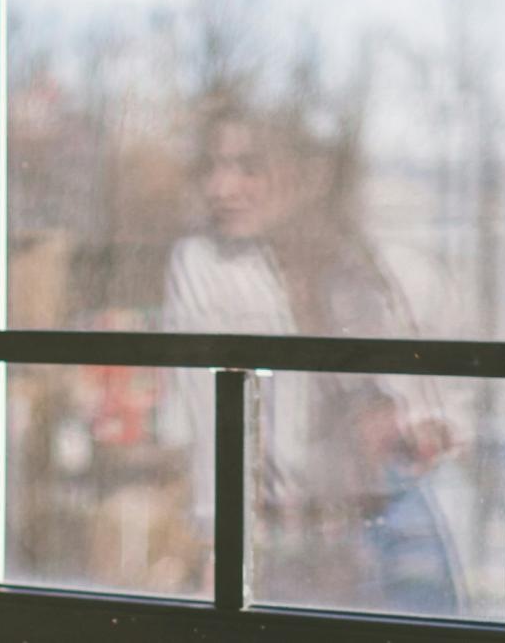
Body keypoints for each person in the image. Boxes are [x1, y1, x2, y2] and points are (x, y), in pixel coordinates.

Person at [156, 97, 472, 615]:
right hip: (279, 548)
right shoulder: (207, 265)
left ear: (307, 175)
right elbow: (209, 423)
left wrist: (423, 426)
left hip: (389, 534)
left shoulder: (369, 267)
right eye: (212, 167)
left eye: (249, 167)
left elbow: (444, 404)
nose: (222, 188)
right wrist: (223, 546)